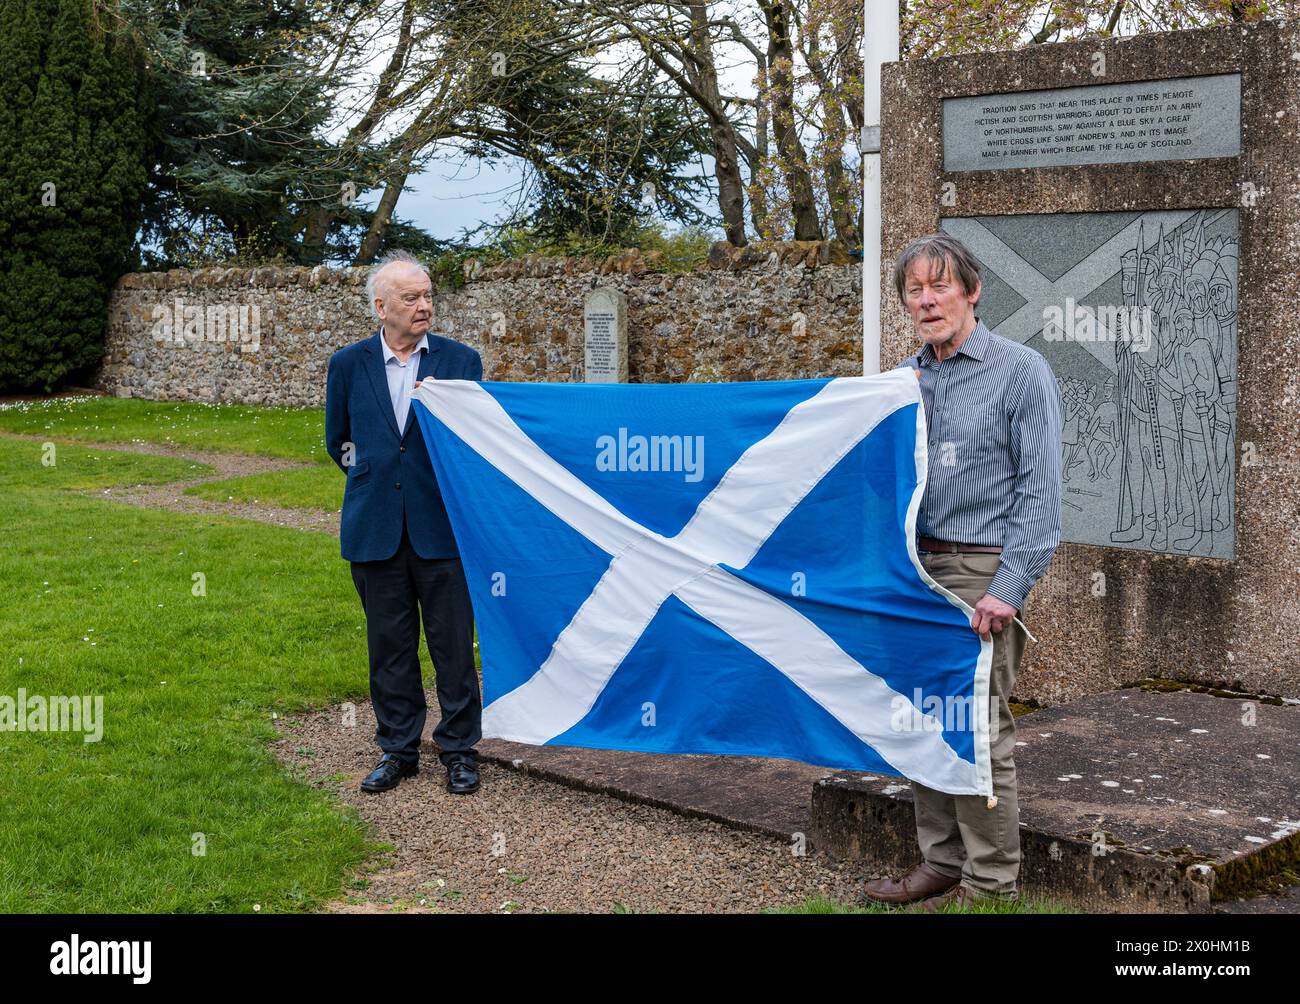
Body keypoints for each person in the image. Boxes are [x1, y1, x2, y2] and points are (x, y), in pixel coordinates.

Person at [864, 233, 1062, 908]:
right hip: (915, 577)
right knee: (924, 723)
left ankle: (991, 884)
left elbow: (1041, 493)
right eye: (914, 290)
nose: (926, 300)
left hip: (982, 572)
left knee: (977, 730)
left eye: (939, 285)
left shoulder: (1021, 371)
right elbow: (876, 483)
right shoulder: (900, 383)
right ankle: (941, 863)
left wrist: (1010, 587)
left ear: (972, 291)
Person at [324, 250, 484, 795]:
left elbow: (476, 443)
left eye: (428, 296)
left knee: (453, 646)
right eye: (411, 298)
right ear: (380, 306)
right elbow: (337, 441)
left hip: (442, 527)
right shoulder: (348, 365)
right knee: (389, 645)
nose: (424, 306)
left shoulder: (461, 362)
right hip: (375, 529)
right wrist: (371, 472)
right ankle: (398, 749)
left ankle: (460, 751)